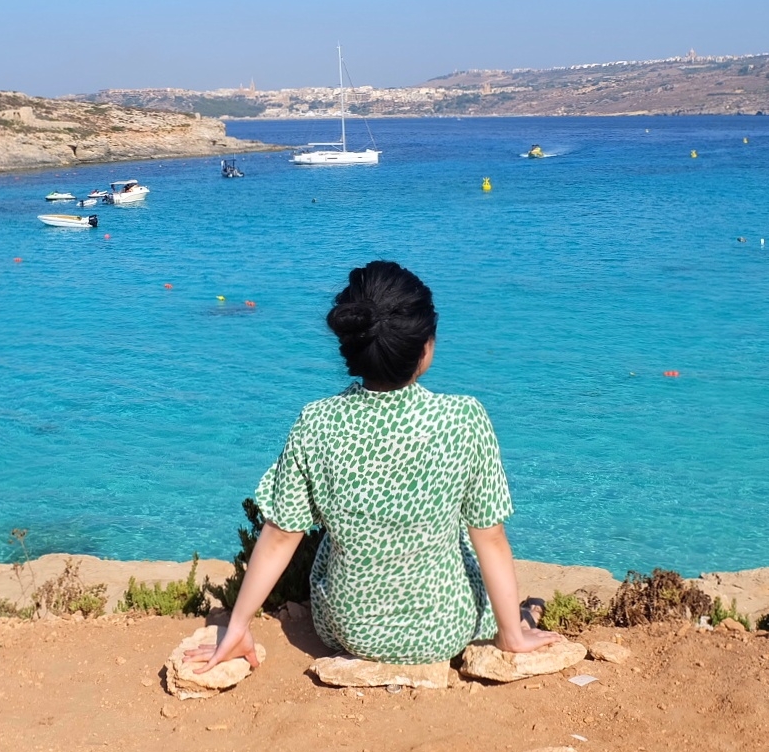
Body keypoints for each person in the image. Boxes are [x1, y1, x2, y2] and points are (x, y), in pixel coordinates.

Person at [192, 260, 562, 673]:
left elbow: (280, 536)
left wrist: (237, 625)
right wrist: (510, 635)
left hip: (350, 630)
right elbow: (489, 537)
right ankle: (518, 621)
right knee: (459, 536)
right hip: (445, 628)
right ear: (426, 347)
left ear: (350, 347)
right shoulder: (464, 418)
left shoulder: (317, 421)